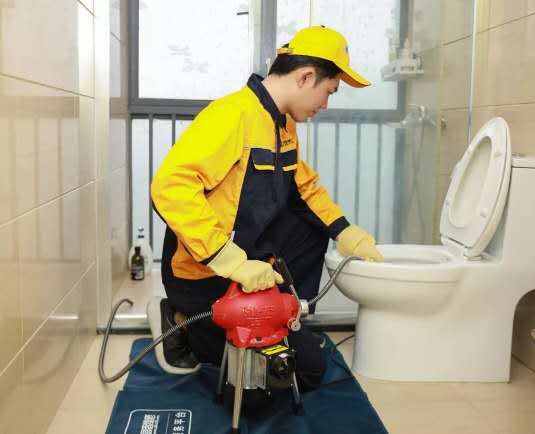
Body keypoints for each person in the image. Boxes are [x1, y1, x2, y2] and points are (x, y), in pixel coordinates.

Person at [150, 25, 383, 392]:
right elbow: (170, 187)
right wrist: (230, 260)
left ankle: (283, 317)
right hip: (206, 272)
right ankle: (181, 319)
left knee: (311, 229)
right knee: (286, 378)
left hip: (250, 257)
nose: (326, 104)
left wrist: (344, 230)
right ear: (306, 77)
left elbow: (303, 186)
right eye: (329, 91)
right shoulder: (231, 115)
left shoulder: (282, 122)